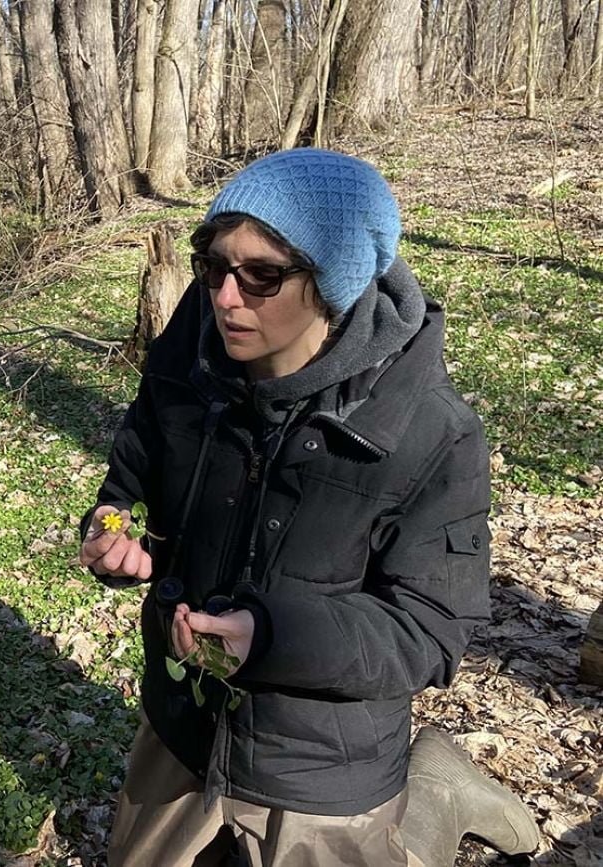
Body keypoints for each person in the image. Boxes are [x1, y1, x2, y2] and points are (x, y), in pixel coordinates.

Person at [78, 149, 539, 866]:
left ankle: (436, 797)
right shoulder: (188, 358)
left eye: (261, 274)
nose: (226, 296)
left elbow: (431, 628)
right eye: (213, 263)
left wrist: (271, 633)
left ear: (332, 280)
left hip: (322, 772)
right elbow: (129, 477)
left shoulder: (429, 429)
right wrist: (110, 530)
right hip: (180, 730)